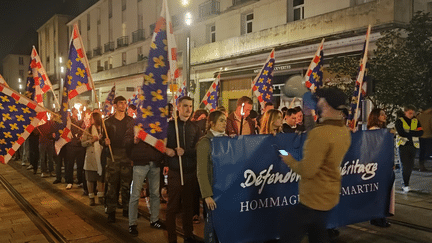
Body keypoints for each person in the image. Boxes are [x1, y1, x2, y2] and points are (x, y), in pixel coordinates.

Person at [280, 87, 351, 243]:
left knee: (289, 237)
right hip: (329, 195)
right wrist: (307, 115)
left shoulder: (322, 134)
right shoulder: (343, 131)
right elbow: (317, 133)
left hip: (313, 198)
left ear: (324, 103)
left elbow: (307, 170)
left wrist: (289, 159)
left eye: (320, 99)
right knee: (318, 235)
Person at [165, 96, 201, 243]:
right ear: (178, 107)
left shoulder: (195, 127)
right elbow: (161, 145)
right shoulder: (171, 125)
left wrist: (185, 151)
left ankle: (188, 234)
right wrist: (169, 151)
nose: (188, 109)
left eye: (191, 106)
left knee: (188, 206)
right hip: (175, 171)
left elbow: (198, 149)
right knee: (172, 206)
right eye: (185, 106)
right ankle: (171, 237)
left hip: (190, 171)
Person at [128, 120, 166, 236]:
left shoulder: (157, 122)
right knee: (135, 194)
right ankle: (132, 223)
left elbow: (163, 142)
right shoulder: (134, 124)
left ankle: (154, 219)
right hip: (140, 162)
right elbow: (125, 141)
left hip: (154, 162)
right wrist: (133, 141)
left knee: (155, 193)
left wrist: (160, 157)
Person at [101, 96, 134, 223]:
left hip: (126, 155)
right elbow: (101, 139)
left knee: (126, 185)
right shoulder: (108, 122)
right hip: (113, 156)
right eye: (120, 103)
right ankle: (111, 211)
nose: (123, 105)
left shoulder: (131, 121)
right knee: (112, 185)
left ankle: (126, 209)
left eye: (125, 103)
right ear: (115, 105)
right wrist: (105, 141)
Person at [196, 110, 227, 242]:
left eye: (225, 120)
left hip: (226, 189)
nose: (224, 123)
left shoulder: (227, 139)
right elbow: (201, 170)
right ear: (212, 123)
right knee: (212, 225)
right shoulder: (205, 143)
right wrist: (207, 195)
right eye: (221, 120)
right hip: (213, 191)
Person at [367, 108, 391, 228]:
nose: (384, 116)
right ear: (376, 116)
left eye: (384, 114)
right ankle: (378, 218)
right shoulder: (374, 130)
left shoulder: (382, 130)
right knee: (379, 192)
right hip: (377, 164)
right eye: (381, 114)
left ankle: (378, 217)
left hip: (382, 163)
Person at [395, 105, 423, 192]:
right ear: (405, 112)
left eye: (413, 113)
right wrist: (414, 132)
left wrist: (409, 132)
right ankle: (405, 184)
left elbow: (421, 132)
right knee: (404, 166)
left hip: (413, 146)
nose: (412, 115)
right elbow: (401, 133)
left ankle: (407, 183)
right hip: (403, 145)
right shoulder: (399, 121)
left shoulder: (416, 120)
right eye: (410, 113)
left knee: (410, 166)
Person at [81, 112, 105, 206]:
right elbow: (83, 143)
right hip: (91, 157)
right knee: (90, 178)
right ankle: (91, 197)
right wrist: (92, 140)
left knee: (100, 178)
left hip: (101, 156)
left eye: (91, 118)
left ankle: (100, 197)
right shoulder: (88, 129)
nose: (90, 119)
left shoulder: (103, 130)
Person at [65, 108, 86, 190]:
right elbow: (70, 129)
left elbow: (83, 129)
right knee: (70, 164)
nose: (77, 112)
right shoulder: (70, 121)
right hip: (71, 145)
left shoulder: (81, 120)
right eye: (75, 111)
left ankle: (80, 180)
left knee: (80, 164)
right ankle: (69, 181)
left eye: (78, 111)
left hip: (79, 145)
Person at [417, 104, 432, 172]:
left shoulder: (418, 116)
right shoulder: (430, 116)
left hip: (421, 136)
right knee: (428, 151)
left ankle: (421, 166)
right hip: (429, 136)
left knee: (422, 151)